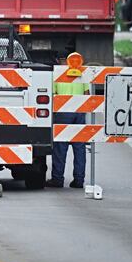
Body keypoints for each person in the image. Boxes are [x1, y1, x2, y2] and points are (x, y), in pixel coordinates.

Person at [46, 53, 89, 188]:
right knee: (79, 147)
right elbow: (87, 94)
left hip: (63, 112)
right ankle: (79, 180)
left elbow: (53, 95)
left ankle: (57, 179)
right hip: (79, 112)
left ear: (61, 61)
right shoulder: (82, 74)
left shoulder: (57, 75)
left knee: (60, 147)